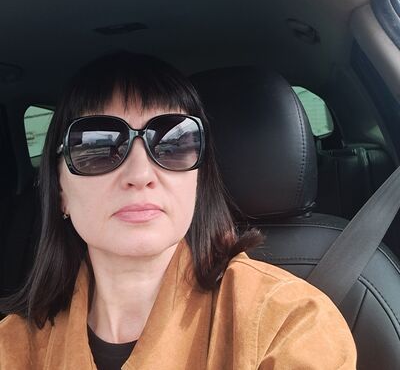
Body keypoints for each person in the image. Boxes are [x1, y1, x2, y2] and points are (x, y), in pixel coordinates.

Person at [0, 52, 357, 369]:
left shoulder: (288, 324)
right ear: (60, 190)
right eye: (99, 146)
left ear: (198, 180)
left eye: (173, 143)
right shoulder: (13, 345)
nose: (140, 175)